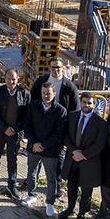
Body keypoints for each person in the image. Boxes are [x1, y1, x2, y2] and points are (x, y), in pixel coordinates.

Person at [29, 58, 80, 194]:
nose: (55, 70)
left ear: (63, 68)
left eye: (58, 67)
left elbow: (75, 110)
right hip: (41, 126)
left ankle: (56, 187)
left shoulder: (69, 87)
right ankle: (31, 183)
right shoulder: (41, 81)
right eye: (53, 67)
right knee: (36, 157)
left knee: (56, 160)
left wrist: (70, 131)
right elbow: (32, 100)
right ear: (49, 68)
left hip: (59, 128)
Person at [60, 93, 108, 219]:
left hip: (89, 162)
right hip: (73, 158)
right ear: (80, 102)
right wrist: (74, 151)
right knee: (71, 187)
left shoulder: (100, 123)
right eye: (85, 102)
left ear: (94, 104)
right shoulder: (72, 116)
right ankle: (70, 209)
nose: (87, 105)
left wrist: (83, 154)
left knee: (86, 190)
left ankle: (81, 214)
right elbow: (65, 136)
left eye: (90, 103)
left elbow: (99, 144)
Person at [22, 81, 68, 217]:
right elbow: (27, 126)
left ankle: (50, 203)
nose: (46, 96)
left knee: (51, 178)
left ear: (54, 94)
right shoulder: (33, 106)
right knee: (31, 172)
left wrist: (43, 145)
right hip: (33, 148)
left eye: (49, 93)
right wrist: (34, 143)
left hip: (51, 150)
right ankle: (31, 194)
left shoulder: (61, 111)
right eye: (43, 93)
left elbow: (59, 134)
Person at [0, 68, 30, 199]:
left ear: (18, 79)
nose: (11, 81)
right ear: (4, 78)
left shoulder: (25, 93)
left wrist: (16, 129)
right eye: (8, 78)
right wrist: (4, 127)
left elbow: (27, 116)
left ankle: (12, 185)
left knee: (12, 160)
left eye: (13, 79)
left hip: (15, 133)